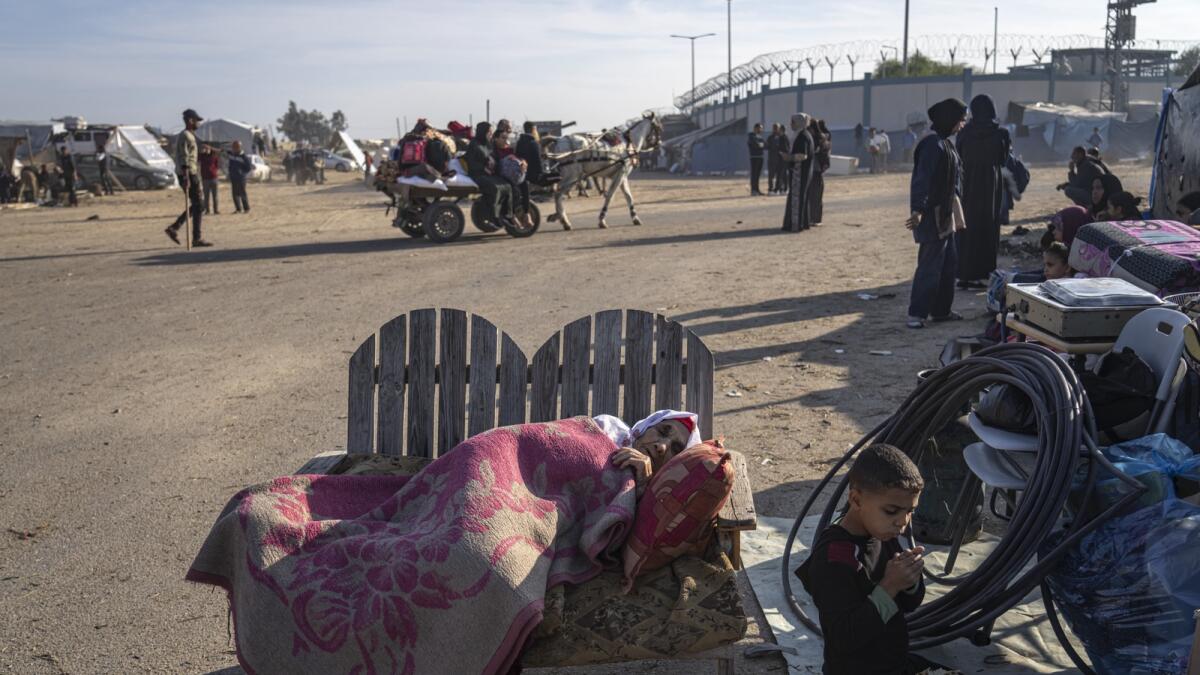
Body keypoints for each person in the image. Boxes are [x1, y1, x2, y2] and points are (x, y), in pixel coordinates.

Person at [795, 444, 934, 675]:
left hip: (894, 664)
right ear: (856, 500)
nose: (903, 522)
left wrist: (909, 579)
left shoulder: (883, 533)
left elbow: (909, 604)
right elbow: (844, 639)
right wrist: (889, 586)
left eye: (910, 511)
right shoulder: (834, 558)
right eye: (892, 511)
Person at [905, 98, 967, 329]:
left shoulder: (945, 143)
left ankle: (941, 311)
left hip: (945, 215)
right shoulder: (932, 144)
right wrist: (918, 210)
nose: (961, 125)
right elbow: (922, 180)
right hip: (932, 215)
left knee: (948, 264)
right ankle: (917, 314)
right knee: (930, 266)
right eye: (960, 120)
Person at [955, 95, 1011, 290]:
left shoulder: (964, 133)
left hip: (967, 183)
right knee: (987, 226)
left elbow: (958, 155)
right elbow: (1003, 160)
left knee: (967, 226)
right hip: (989, 185)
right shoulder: (1001, 134)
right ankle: (983, 273)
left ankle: (964, 274)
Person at [598, 409, 703, 495]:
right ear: (645, 427)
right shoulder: (606, 427)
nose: (661, 447)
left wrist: (640, 488)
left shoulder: (657, 500)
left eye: (675, 450)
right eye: (662, 432)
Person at [165, 108, 210, 247]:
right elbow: (184, 157)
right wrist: (186, 178)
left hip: (191, 173)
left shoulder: (189, 135)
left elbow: (190, 156)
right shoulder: (185, 135)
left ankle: (176, 229)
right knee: (199, 205)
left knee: (198, 205)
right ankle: (191, 236)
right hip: (189, 174)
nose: (198, 124)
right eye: (197, 121)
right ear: (190, 121)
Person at [465, 121, 515, 228]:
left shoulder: (488, 144)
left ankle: (507, 215)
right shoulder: (474, 144)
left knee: (507, 186)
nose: (491, 135)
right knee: (495, 188)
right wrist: (484, 167)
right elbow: (471, 163)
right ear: (483, 132)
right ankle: (493, 217)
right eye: (489, 132)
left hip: (488, 174)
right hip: (477, 174)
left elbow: (494, 157)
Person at [781, 113, 814, 232]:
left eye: (793, 122)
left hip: (800, 173)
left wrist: (788, 157)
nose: (791, 124)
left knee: (797, 198)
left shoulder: (803, 136)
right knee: (801, 197)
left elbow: (802, 155)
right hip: (801, 172)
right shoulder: (802, 135)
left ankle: (795, 225)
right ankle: (803, 223)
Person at [808, 118, 832, 225]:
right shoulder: (823, 137)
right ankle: (815, 218)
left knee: (815, 196)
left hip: (815, 170)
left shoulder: (818, 139)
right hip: (817, 171)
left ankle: (815, 219)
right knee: (816, 196)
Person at [226, 140, 253, 214]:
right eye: (233, 147)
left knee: (242, 193)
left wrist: (242, 173)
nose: (234, 149)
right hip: (233, 177)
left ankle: (246, 208)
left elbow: (248, 168)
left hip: (241, 178)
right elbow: (221, 151)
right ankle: (238, 209)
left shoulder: (244, 157)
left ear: (239, 147)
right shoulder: (231, 154)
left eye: (235, 147)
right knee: (235, 194)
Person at [199, 144, 220, 215]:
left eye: (207, 149)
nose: (206, 150)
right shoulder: (202, 156)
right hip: (205, 179)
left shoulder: (214, 156)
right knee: (206, 196)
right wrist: (202, 151)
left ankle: (216, 210)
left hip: (214, 178)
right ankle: (207, 210)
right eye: (205, 149)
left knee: (215, 196)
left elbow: (217, 165)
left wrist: (211, 148)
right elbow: (197, 158)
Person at [748, 123, 765, 196]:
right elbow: (755, 145)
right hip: (754, 157)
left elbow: (766, 145)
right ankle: (753, 190)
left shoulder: (760, 137)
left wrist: (761, 145)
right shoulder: (751, 137)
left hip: (760, 157)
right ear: (755, 128)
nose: (761, 130)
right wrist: (760, 145)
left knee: (758, 175)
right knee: (754, 174)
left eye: (761, 128)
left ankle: (757, 189)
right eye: (760, 128)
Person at [766, 124, 782, 195]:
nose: (775, 129)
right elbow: (766, 146)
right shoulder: (770, 138)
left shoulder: (781, 137)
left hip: (779, 159)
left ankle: (778, 188)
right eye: (774, 128)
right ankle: (770, 189)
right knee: (771, 175)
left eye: (776, 128)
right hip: (772, 159)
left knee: (779, 175)